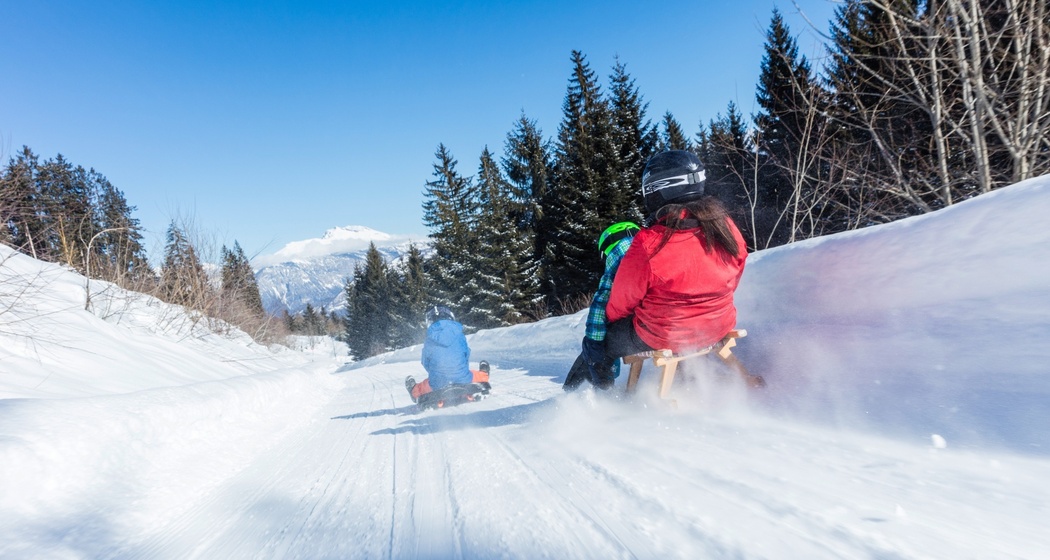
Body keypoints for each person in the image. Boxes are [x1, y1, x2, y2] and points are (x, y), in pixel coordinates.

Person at [591, 150, 758, 389]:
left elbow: (620, 302)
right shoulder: (725, 226)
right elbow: (734, 275)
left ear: (656, 189)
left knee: (604, 340)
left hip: (665, 334)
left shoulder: (649, 242)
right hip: (719, 324)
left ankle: (601, 395)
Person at [563, 221, 641, 391]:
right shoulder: (662, 244)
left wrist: (593, 349)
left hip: (656, 328)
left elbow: (600, 308)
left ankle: (589, 391)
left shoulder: (619, 256)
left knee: (598, 342)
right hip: (698, 321)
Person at [405, 305, 491, 403]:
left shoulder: (429, 340)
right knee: (475, 375)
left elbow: (425, 362)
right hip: (462, 378)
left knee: (424, 386)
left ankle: (414, 392)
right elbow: (466, 355)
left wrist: (438, 372)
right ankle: (484, 374)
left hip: (438, 383)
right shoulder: (459, 335)